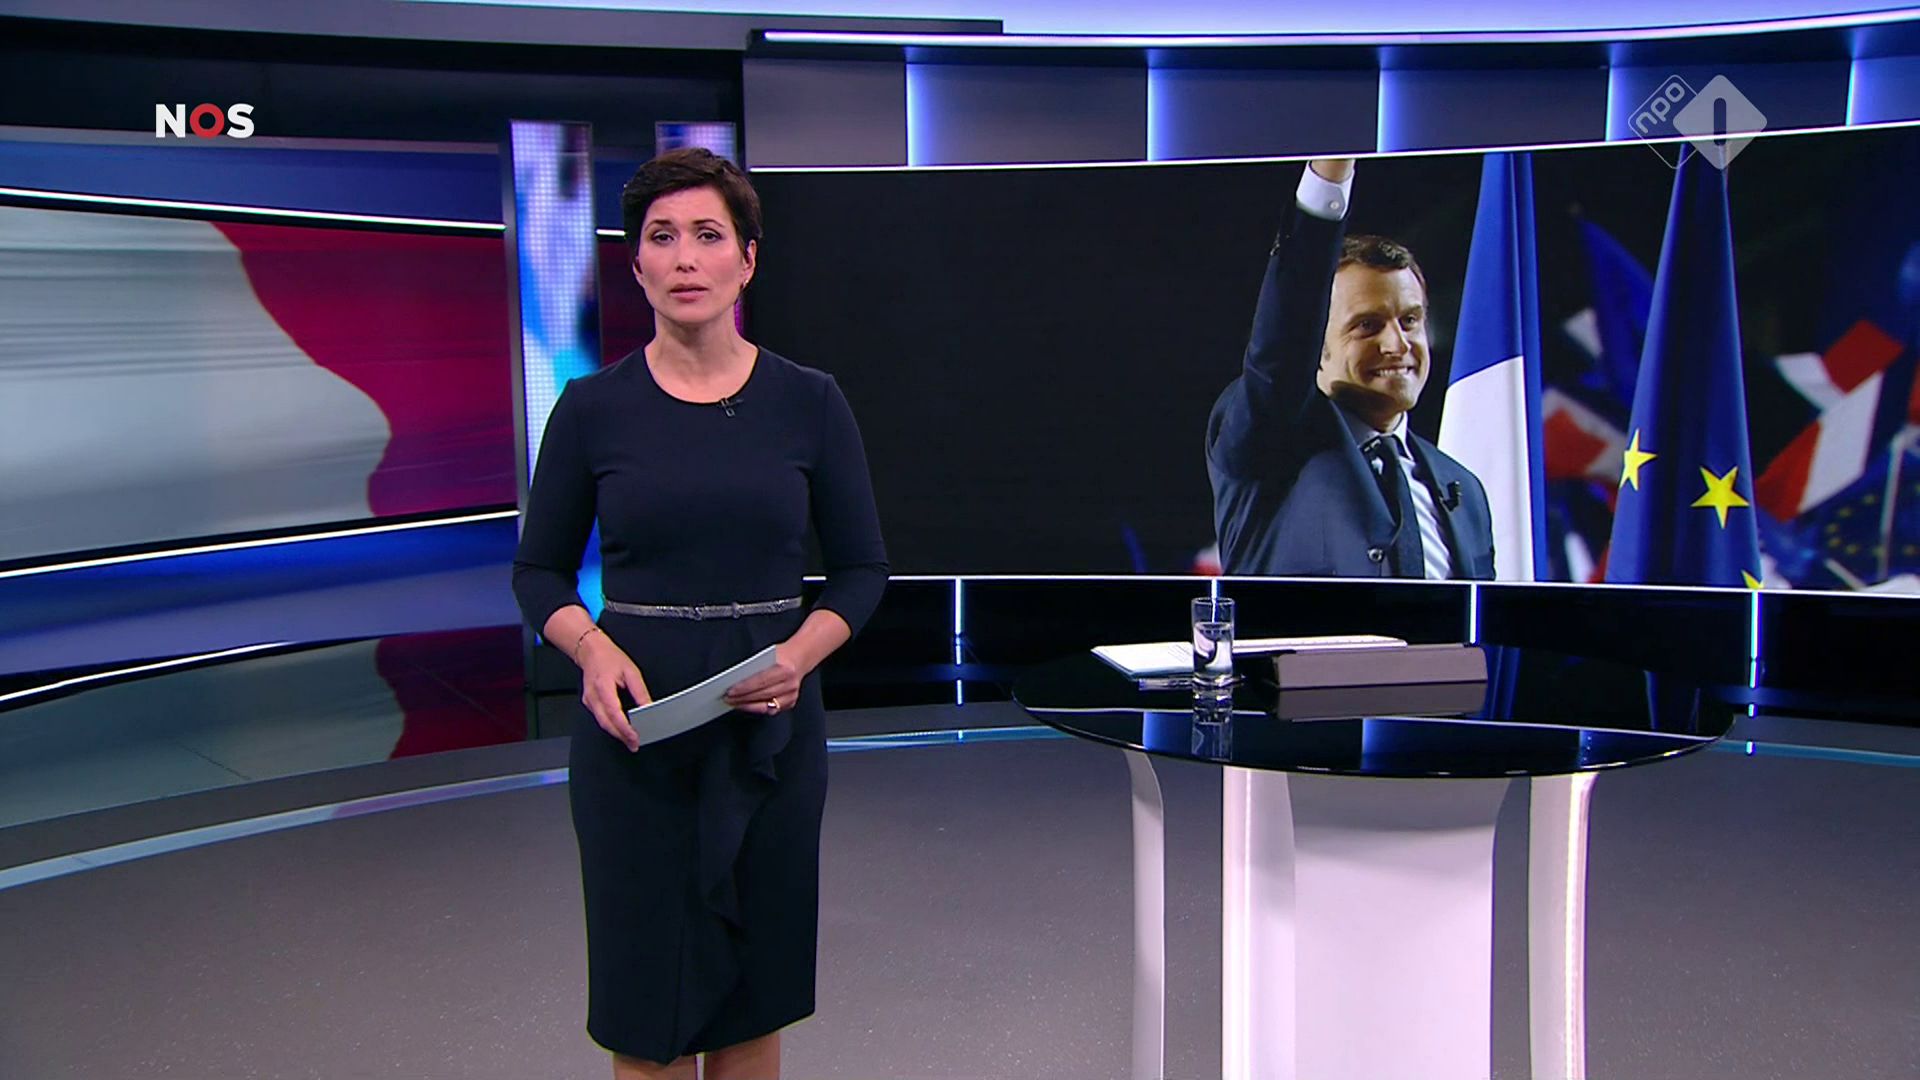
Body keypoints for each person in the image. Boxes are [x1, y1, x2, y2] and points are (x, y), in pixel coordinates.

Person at [512, 147, 888, 1080]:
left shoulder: (810, 402)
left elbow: (862, 571)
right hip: (636, 740)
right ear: (636, 264)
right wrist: (591, 650)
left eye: (709, 236)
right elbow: (538, 572)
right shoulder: (591, 409)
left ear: (747, 260)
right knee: (647, 1009)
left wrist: (799, 657)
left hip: (771, 733)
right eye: (662, 237)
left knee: (754, 1001)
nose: (685, 257)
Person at [1206, 157, 1496, 580]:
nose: (1397, 344)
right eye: (1367, 325)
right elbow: (1283, 343)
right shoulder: (1272, 442)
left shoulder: (1464, 488)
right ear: (1315, 345)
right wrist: (1328, 180)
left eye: (1409, 320)